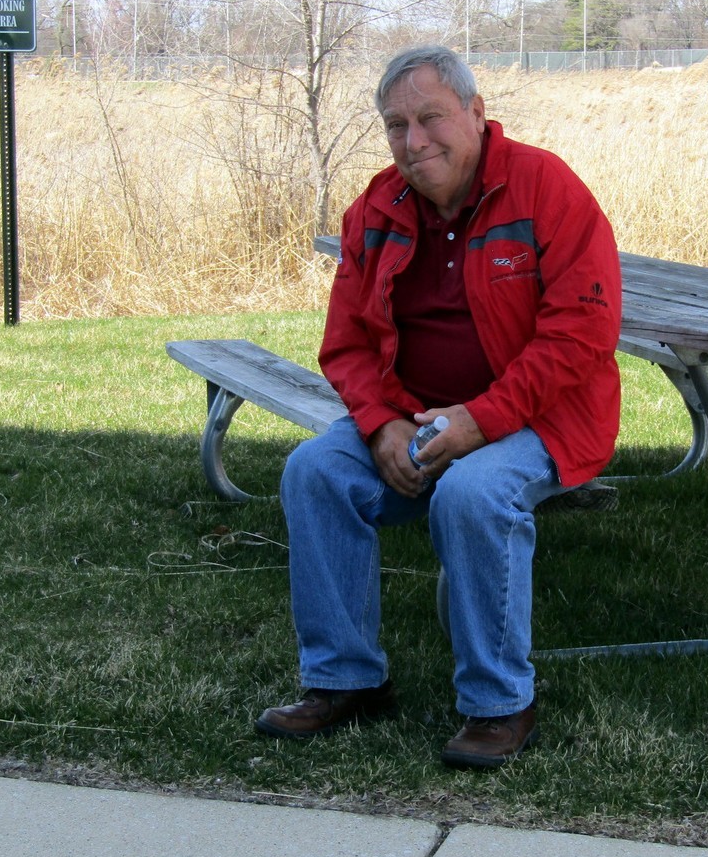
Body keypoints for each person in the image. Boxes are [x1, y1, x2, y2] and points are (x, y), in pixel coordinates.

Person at [254, 44, 622, 768]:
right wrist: (379, 424)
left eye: (430, 118)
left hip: (540, 418)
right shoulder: (375, 209)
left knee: (473, 491)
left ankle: (499, 702)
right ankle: (345, 680)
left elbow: (582, 332)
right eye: (397, 125)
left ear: (476, 113)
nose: (414, 140)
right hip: (415, 418)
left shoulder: (545, 189)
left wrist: (480, 420)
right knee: (315, 472)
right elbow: (346, 343)